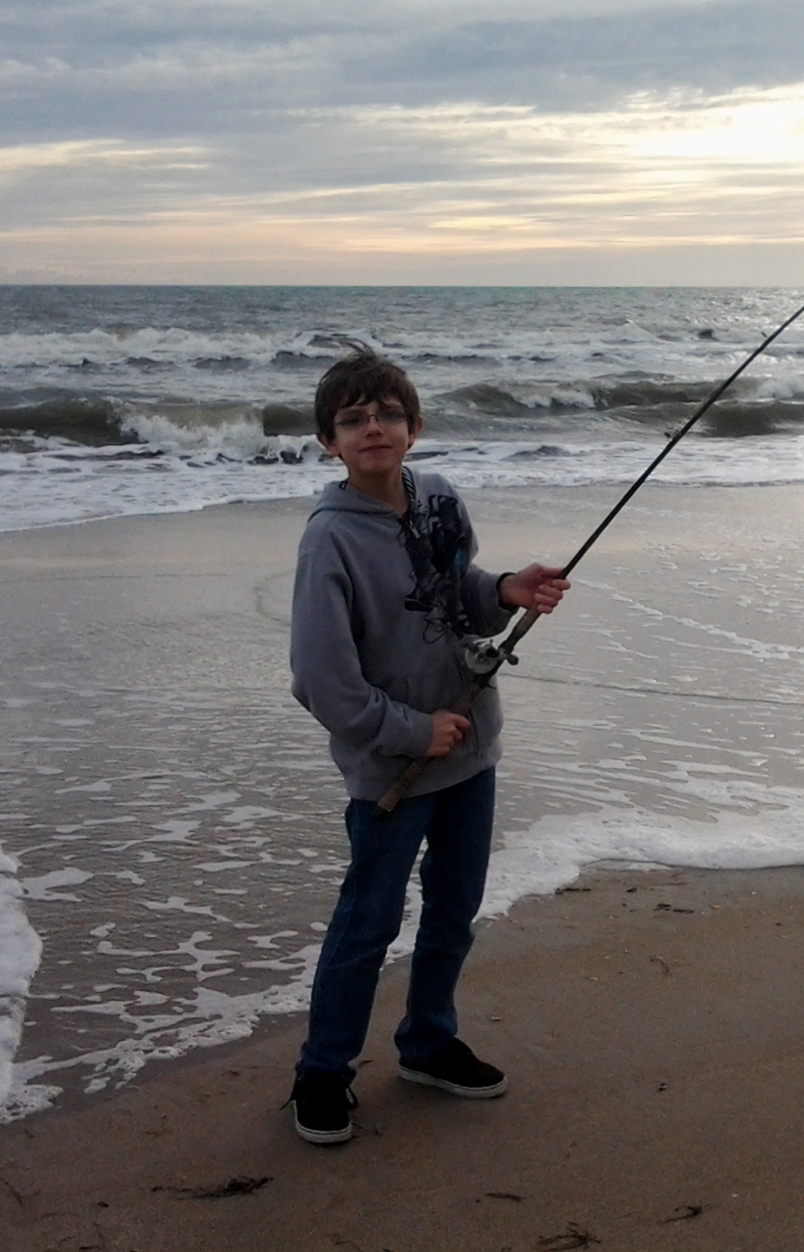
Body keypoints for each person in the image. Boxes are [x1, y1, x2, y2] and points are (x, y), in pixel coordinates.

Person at [287, 343, 568, 1145]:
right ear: (328, 443)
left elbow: (459, 600)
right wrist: (413, 731)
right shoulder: (328, 542)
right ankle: (322, 1071)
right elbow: (320, 682)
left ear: (414, 427)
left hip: (471, 752)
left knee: (455, 909)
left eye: (385, 414)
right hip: (391, 771)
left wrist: (506, 591)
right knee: (366, 924)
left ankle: (428, 1042)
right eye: (352, 419)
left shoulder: (441, 497)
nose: (371, 427)